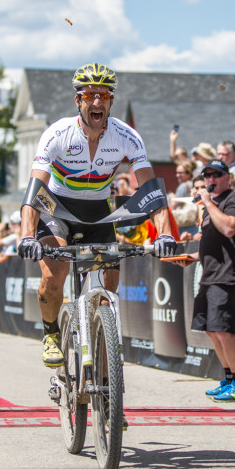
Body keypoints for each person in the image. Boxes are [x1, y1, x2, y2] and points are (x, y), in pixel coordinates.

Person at [18, 63, 177, 367]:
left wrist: (165, 232)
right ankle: (51, 334)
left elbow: (153, 190)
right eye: (89, 95)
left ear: (110, 101)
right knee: (54, 273)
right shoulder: (57, 134)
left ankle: (104, 369)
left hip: (98, 214)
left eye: (103, 95)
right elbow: (34, 189)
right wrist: (27, 235)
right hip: (57, 209)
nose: (96, 102)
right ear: (77, 100)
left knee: (109, 283)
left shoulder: (126, 136)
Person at [173, 159, 235, 401]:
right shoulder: (213, 206)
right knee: (211, 330)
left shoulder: (233, 200)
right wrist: (194, 257)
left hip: (228, 277)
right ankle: (228, 378)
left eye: (216, 174)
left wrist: (207, 201)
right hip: (209, 276)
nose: (210, 179)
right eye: (207, 175)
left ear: (228, 177)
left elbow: (230, 228)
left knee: (224, 331)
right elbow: (216, 242)